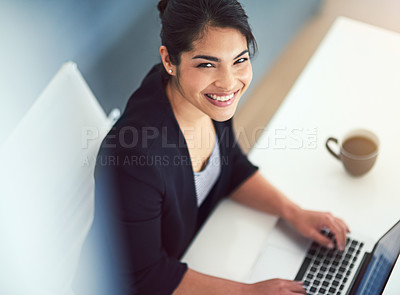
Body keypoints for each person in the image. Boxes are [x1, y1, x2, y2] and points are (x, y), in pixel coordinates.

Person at [75, 0, 350, 294]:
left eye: (240, 60)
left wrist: (293, 212)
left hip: (201, 251)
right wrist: (249, 292)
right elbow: (143, 276)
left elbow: (230, 164)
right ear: (169, 61)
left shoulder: (203, 101)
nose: (229, 83)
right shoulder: (133, 157)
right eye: (207, 64)